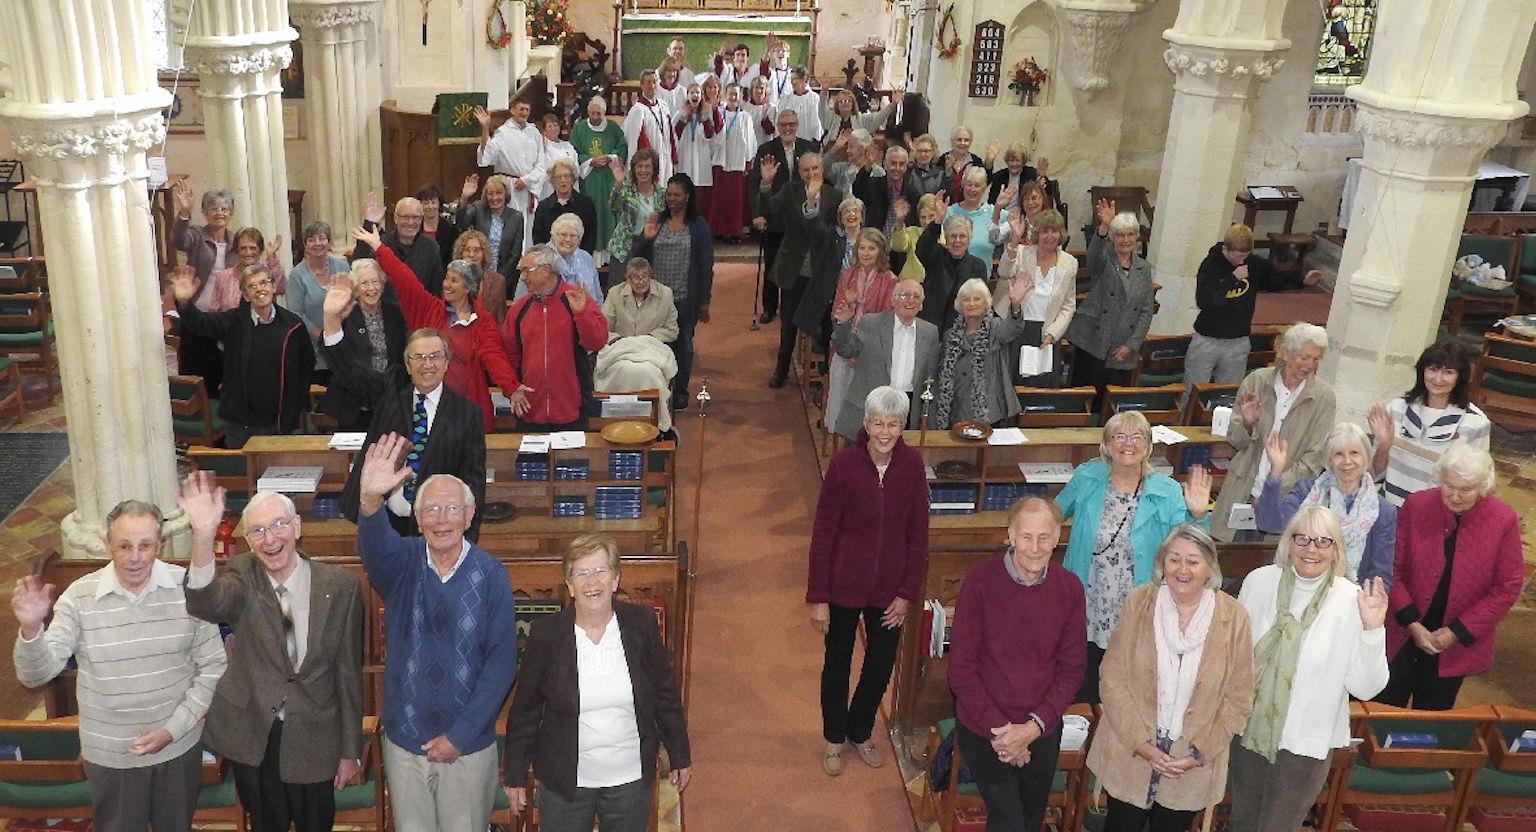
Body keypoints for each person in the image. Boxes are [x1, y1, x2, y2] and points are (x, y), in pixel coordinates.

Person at [12, 501, 226, 832]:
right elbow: (35, 674)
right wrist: (30, 630)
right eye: (124, 546)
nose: (135, 557)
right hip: (111, 755)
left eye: (145, 545)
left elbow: (214, 665)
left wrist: (173, 729)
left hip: (178, 747)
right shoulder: (79, 598)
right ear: (107, 544)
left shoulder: (188, 589)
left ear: (160, 545)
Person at [181, 475, 364, 832]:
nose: (270, 539)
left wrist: (350, 749)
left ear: (297, 527)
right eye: (259, 531)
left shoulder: (340, 586)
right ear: (248, 541)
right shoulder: (242, 575)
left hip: (315, 734)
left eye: (279, 525)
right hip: (255, 733)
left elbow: (347, 674)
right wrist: (203, 536)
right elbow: (204, 601)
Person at [355, 435, 519, 832]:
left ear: (469, 514)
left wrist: (459, 736)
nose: (442, 519)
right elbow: (374, 550)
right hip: (405, 744)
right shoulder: (403, 564)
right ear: (417, 517)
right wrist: (370, 502)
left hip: (466, 748)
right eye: (431, 509)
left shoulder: (492, 575)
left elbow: (501, 666)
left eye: (451, 509)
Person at [503, 534, 692, 827]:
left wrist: (679, 754)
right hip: (565, 781)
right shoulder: (546, 635)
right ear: (570, 585)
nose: (592, 582)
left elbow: (664, 695)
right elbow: (525, 710)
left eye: (600, 571)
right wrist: (515, 774)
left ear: (615, 579)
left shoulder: (641, 624)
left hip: (629, 778)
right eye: (582, 573)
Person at [1228, 506, 1389, 832]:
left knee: (1277, 827)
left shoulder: (1350, 600)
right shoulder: (1259, 583)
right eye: (1303, 538)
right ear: (1288, 543)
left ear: (1336, 550)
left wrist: (1373, 630)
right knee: (1242, 822)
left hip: (1304, 744)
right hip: (1249, 731)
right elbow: (1235, 657)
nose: (1311, 549)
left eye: (1323, 541)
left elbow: (1366, 688)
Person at [1087, 525, 1254, 832]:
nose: (1182, 569)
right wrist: (1141, 743)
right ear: (1162, 564)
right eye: (1174, 559)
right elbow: (1112, 678)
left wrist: (1199, 752)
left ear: (1210, 568)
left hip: (1190, 760)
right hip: (1132, 749)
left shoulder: (1234, 618)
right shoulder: (1139, 603)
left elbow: (1239, 697)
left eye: (1193, 561)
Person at [807, 386, 929, 775]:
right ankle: (832, 737)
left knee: (879, 665)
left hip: (890, 591)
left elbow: (918, 534)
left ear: (902, 427)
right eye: (878, 422)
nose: (885, 432)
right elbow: (824, 532)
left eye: (894, 424)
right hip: (843, 585)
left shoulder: (912, 466)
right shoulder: (843, 466)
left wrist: (907, 593)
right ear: (865, 423)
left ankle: (859, 731)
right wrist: (818, 595)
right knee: (837, 663)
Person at [948, 497, 1087, 832]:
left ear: (1057, 539)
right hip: (985, 727)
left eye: (1044, 538)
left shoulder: (1069, 589)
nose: (1035, 548)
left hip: (1041, 727)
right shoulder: (979, 584)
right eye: (1026, 537)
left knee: (1030, 818)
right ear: (1010, 536)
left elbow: (1071, 670)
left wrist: (1031, 730)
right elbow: (961, 672)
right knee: (1009, 822)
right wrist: (1006, 735)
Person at [1055, 411, 1213, 703]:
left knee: (1126, 685)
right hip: (1086, 599)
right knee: (1080, 676)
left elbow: (1189, 547)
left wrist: (1199, 515)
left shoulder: (1167, 491)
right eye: (1119, 436)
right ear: (1106, 445)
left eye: (1137, 436)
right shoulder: (1087, 477)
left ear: (1149, 446)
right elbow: (1054, 514)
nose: (1128, 444)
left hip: (1137, 603)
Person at [1378, 444, 1523, 710]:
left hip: (1453, 643)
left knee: (1431, 724)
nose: (1455, 496)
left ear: (1483, 487)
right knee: (1381, 711)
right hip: (1402, 630)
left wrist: (1457, 632)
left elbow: (1507, 587)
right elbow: (1391, 567)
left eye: (1465, 490)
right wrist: (1412, 623)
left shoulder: (1503, 520)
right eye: (1449, 486)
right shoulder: (1417, 504)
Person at [353, 225, 521, 432]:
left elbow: (494, 358)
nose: (446, 285)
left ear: (468, 287)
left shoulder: (483, 321)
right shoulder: (429, 309)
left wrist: (511, 388)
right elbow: (404, 278)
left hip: (467, 412)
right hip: (428, 412)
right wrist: (379, 247)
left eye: (454, 280)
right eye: (446, 278)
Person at [337, 326, 487, 539]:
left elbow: (474, 483)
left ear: (446, 363)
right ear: (408, 366)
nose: (427, 364)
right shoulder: (390, 399)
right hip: (386, 523)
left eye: (435, 356)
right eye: (419, 357)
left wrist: (467, 539)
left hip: (437, 528)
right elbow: (350, 371)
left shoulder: (468, 413)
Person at [1211, 323, 1336, 542]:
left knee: (1269, 566)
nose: (1310, 365)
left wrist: (1272, 491)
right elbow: (1236, 441)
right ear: (1287, 353)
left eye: (1316, 359)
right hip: (1243, 492)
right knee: (1228, 560)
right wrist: (1248, 424)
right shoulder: (1257, 381)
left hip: (1284, 501)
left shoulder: (1323, 398)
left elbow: (1313, 460)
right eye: (1304, 357)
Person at [171, 263, 314, 448]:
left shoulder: (293, 325)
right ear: (246, 295)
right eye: (252, 286)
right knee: (244, 472)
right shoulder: (234, 321)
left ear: (273, 287)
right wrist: (184, 303)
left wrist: (296, 400)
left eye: (263, 283)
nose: (259, 289)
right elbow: (200, 323)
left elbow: (307, 363)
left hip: (279, 420)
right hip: (241, 421)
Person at [1185, 225, 1323, 398]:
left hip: (1238, 340)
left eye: (1245, 255)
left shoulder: (1253, 263)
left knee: (1228, 395)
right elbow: (1205, 301)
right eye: (1237, 255)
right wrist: (1232, 278)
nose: (1242, 260)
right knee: (1193, 392)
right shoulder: (1211, 265)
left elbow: (1275, 280)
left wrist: (1302, 280)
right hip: (1208, 339)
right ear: (1225, 249)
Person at [1255, 422, 1395, 586]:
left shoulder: (1383, 511)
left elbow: (1380, 574)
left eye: (1354, 453)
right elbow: (1269, 524)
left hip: (1349, 597)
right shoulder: (1306, 492)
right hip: (1296, 585)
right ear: (1328, 459)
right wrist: (1276, 471)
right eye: (1338, 454)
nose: (1347, 461)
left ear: (1366, 457)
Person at [1367, 339, 1493, 507]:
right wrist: (1384, 445)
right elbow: (1373, 475)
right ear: (1422, 371)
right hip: (1388, 508)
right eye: (1432, 369)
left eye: (1448, 372)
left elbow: (1476, 483)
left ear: (1460, 377)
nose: (1438, 379)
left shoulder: (1476, 423)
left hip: (1435, 515)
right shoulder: (1397, 408)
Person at [757, 152, 844, 388]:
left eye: (815, 169)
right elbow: (768, 208)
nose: (811, 174)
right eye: (806, 170)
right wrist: (766, 183)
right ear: (799, 172)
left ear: (822, 171)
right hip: (793, 269)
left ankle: (827, 370)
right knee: (788, 325)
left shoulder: (834, 196)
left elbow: (828, 234)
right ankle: (781, 370)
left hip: (820, 271)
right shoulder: (789, 190)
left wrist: (813, 204)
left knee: (826, 324)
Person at [503, 244, 610, 430]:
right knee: (531, 461)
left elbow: (598, 342)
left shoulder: (576, 298)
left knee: (571, 460)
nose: (522, 277)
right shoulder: (519, 309)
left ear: (546, 271)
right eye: (521, 271)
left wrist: (582, 314)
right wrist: (511, 388)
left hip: (572, 411)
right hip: (529, 411)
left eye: (527, 271)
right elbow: (508, 354)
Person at [632, 173, 714, 412]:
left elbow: (706, 264)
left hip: (685, 298)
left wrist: (704, 300)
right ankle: (659, 388)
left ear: (688, 197)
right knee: (657, 345)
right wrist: (645, 238)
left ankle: (681, 391)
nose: (671, 199)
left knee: (684, 346)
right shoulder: (656, 221)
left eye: (677, 195)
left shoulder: (698, 226)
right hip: (655, 298)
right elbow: (636, 257)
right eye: (668, 194)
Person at [1067, 199, 1155, 403]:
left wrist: (1131, 345)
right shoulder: (1105, 260)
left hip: (1122, 347)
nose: (1126, 239)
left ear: (1137, 237)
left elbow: (1146, 311)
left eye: (1130, 234)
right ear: (1113, 238)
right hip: (1093, 342)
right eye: (1120, 235)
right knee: (1084, 398)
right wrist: (1104, 227)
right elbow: (1093, 258)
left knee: (1110, 401)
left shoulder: (1144, 269)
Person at [830, 280, 939, 441]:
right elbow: (846, 350)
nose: (910, 300)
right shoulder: (871, 323)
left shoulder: (930, 332)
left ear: (921, 305)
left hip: (907, 409)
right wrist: (843, 324)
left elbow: (930, 378)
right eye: (904, 295)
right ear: (893, 301)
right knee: (861, 462)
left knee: (900, 463)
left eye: (916, 296)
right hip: (872, 405)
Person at [318, 262, 409, 431]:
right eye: (364, 283)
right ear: (355, 288)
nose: (371, 288)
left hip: (388, 401)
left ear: (383, 284)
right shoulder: (345, 312)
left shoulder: (395, 313)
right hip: (353, 403)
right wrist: (333, 319)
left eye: (375, 282)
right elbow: (330, 351)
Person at [824, 228, 899, 430]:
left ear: (880, 251)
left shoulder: (890, 280)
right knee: (840, 397)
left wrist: (861, 350)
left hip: (871, 351)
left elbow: (886, 320)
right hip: (846, 343)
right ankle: (842, 440)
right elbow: (836, 314)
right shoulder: (847, 275)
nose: (865, 253)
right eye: (862, 248)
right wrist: (849, 306)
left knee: (867, 406)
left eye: (871, 248)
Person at [932, 278, 1028, 429]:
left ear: (986, 304)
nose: (971, 303)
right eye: (966, 299)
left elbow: (1013, 328)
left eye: (977, 299)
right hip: (956, 412)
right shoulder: (949, 336)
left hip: (990, 413)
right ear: (959, 305)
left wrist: (1015, 304)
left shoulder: (995, 328)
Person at [597, 257, 680, 431]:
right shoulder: (614, 294)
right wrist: (622, 341)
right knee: (618, 370)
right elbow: (603, 329)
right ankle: (613, 422)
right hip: (620, 349)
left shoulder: (665, 294)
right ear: (627, 278)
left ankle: (656, 422)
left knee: (648, 372)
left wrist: (647, 339)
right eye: (635, 277)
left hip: (652, 350)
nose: (640, 281)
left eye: (644, 276)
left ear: (651, 276)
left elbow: (672, 330)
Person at [995, 207, 1075, 387]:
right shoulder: (1022, 253)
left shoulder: (1070, 263)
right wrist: (1014, 242)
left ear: (1060, 234)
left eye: (1054, 231)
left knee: (1042, 387)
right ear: (1037, 234)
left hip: (1046, 332)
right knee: (1012, 385)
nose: (1049, 236)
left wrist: (1052, 334)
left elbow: (1068, 306)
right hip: (1018, 327)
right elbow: (1004, 271)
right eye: (1045, 231)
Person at [170, 179, 236, 394]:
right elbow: (178, 240)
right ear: (205, 212)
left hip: (223, 314)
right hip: (197, 309)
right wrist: (184, 212)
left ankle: (218, 418)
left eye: (224, 209)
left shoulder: (235, 241)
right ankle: (198, 416)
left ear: (231, 213)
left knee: (222, 367)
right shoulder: (197, 235)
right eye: (213, 209)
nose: (219, 213)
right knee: (197, 367)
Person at [751, 109, 816, 325]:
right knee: (772, 266)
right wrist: (758, 213)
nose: (788, 128)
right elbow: (754, 184)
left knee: (800, 266)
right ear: (778, 127)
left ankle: (795, 306)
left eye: (792, 124)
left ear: (797, 125)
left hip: (801, 220)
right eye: (784, 125)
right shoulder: (766, 149)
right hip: (774, 217)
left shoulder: (809, 148)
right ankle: (770, 307)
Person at [474, 96, 544, 250]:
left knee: (528, 229)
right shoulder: (503, 133)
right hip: (509, 188)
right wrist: (485, 128)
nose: (524, 112)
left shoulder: (534, 132)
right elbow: (486, 157)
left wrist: (527, 179)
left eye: (527, 110)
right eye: (521, 109)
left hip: (528, 187)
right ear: (512, 110)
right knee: (510, 228)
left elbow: (541, 163)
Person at [286, 221, 350, 383]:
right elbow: (296, 314)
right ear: (305, 245)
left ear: (329, 242)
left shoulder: (343, 267)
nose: (317, 243)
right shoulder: (297, 275)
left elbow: (353, 300)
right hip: (314, 351)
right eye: (311, 239)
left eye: (322, 238)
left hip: (344, 346)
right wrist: (322, 337)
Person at [353, 194, 444, 297]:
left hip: (419, 309)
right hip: (387, 309)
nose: (410, 222)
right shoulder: (382, 243)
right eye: (405, 217)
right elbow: (359, 263)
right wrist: (369, 224)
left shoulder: (431, 246)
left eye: (416, 217)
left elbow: (436, 288)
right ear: (395, 218)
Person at [570, 95, 628, 258]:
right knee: (591, 212)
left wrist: (611, 157)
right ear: (588, 112)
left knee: (609, 212)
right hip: (589, 180)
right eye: (593, 113)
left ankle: (609, 256)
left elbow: (622, 146)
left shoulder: (613, 128)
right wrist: (590, 161)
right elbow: (573, 152)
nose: (596, 117)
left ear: (605, 112)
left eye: (599, 114)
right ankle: (591, 255)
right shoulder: (579, 128)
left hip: (609, 178)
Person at [916, 211, 989, 332]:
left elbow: (981, 303)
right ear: (946, 238)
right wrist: (936, 223)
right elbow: (922, 249)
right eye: (953, 236)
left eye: (962, 236)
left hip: (961, 330)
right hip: (930, 327)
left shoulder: (978, 266)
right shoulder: (936, 255)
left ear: (969, 239)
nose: (957, 240)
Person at [520, 213, 605, 304]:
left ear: (579, 240)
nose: (568, 239)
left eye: (573, 236)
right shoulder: (539, 258)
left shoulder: (586, 258)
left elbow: (598, 297)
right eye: (563, 234)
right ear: (553, 236)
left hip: (585, 314)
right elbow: (521, 299)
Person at [199, 226, 288, 313]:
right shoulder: (223, 277)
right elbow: (214, 311)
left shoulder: (268, 271)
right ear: (236, 251)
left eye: (253, 248)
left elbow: (281, 288)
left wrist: (272, 257)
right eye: (243, 248)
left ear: (260, 250)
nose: (248, 253)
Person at [708, 83, 755, 240]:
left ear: (741, 97)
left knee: (735, 200)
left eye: (736, 94)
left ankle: (734, 231)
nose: (733, 97)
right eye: (730, 94)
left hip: (737, 162)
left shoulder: (745, 117)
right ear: (725, 95)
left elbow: (749, 140)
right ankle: (718, 231)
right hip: (720, 161)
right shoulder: (718, 113)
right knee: (719, 198)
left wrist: (748, 161)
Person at [458, 173, 526, 278]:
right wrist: (464, 197)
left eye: (499, 193)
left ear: (505, 194)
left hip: (504, 276)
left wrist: (498, 278)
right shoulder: (479, 208)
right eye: (490, 193)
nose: (494, 198)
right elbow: (461, 223)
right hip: (476, 273)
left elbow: (515, 255)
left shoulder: (516, 217)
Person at [944, 166, 1007, 274]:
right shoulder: (949, 212)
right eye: (969, 184)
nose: (972, 189)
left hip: (980, 282)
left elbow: (999, 241)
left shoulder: (996, 213)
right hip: (951, 279)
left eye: (977, 185)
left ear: (984, 188)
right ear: (962, 185)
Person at [608, 148, 665, 266]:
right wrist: (619, 183)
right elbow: (614, 207)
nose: (643, 170)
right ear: (634, 169)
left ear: (654, 169)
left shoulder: (662, 193)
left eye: (647, 166)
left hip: (651, 248)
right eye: (639, 166)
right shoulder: (626, 189)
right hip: (625, 249)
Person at [825, 129, 889, 232]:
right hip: (841, 226)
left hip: (867, 227)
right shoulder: (841, 169)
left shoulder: (879, 173)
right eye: (847, 146)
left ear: (863, 149)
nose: (847, 151)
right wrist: (836, 147)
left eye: (851, 146)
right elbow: (822, 170)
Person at [531, 159, 599, 254]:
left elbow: (590, 238)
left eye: (566, 176)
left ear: (573, 179)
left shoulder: (586, 204)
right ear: (552, 181)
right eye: (558, 177)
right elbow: (538, 239)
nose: (563, 180)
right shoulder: (543, 207)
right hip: (550, 260)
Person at [674, 80, 717, 222]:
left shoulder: (705, 113)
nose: (695, 95)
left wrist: (705, 117)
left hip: (701, 156)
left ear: (701, 96)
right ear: (687, 95)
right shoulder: (680, 112)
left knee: (700, 191)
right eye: (692, 92)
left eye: (697, 92)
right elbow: (675, 134)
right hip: (686, 155)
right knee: (685, 187)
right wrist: (683, 117)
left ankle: (699, 221)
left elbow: (710, 134)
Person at [622, 70, 676, 184]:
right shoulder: (638, 110)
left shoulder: (663, 106)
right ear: (641, 85)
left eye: (654, 82)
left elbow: (670, 134)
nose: (652, 86)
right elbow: (635, 141)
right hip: (649, 164)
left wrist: (673, 157)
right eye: (648, 82)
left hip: (665, 158)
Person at [452, 230, 508, 326]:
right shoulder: (451, 280)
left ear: (484, 254)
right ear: (460, 253)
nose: (471, 254)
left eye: (476, 250)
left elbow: (501, 320)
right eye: (467, 250)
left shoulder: (498, 281)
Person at [987, 145, 1055, 213]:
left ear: (1023, 162)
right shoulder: (999, 176)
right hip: (1002, 216)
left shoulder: (1031, 174)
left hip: (1025, 215)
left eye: (1017, 160)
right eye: (1011, 160)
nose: (1014, 164)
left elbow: (1048, 192)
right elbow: (991, 203)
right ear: (1007, 161)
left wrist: (1043, 177)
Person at [888, 193, 937, 283]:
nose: (927, 221)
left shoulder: (946, 235)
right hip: (909, 283)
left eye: (931, 216)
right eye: (923, 217)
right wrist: (899, 221)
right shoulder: (912, 232)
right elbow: (898, 246)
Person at [820, 88, 892, 144]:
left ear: (853, 104)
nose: (845, 103)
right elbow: (822, 110)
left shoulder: (860, 119)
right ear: (837, 105)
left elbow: (878, 118)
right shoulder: (831, 118)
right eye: (841, 101)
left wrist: (893, 103)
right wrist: (824, 89)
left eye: (848, 101)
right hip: (834, 155)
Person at [416, 184, 462, 269]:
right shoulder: (414, 228)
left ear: (439, 204)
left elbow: (454, 258)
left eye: (433, 202)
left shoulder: (451, 230)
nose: (430, 206)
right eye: (426, 203)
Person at [536, 113, 579, 202]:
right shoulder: (542, 147)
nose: (553, 129)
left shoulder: (567, 146)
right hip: (550, 188)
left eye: (556, 125)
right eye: (550, 126)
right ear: (544, 131)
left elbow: (576, 167)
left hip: (569, 186)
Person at [937, 127, 988, 197]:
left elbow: (983, 183)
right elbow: (937, 186)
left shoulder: (976, 161)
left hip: (968, 205)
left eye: (966, 140)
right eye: (959, 140)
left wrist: (989, 162)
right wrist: (947, 170)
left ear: (970, 142)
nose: (963, 143)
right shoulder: (943, 159)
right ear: (952, 141)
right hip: (945, 204)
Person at [777, 67, 822, 146]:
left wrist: (816, 140)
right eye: (791, 79)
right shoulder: (786, 100)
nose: (792, 82)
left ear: (804, 79)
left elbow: (816, 122)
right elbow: (779, 120)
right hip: (788, 143)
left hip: (808, 142)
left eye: (795, 78)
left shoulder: (814, 99)